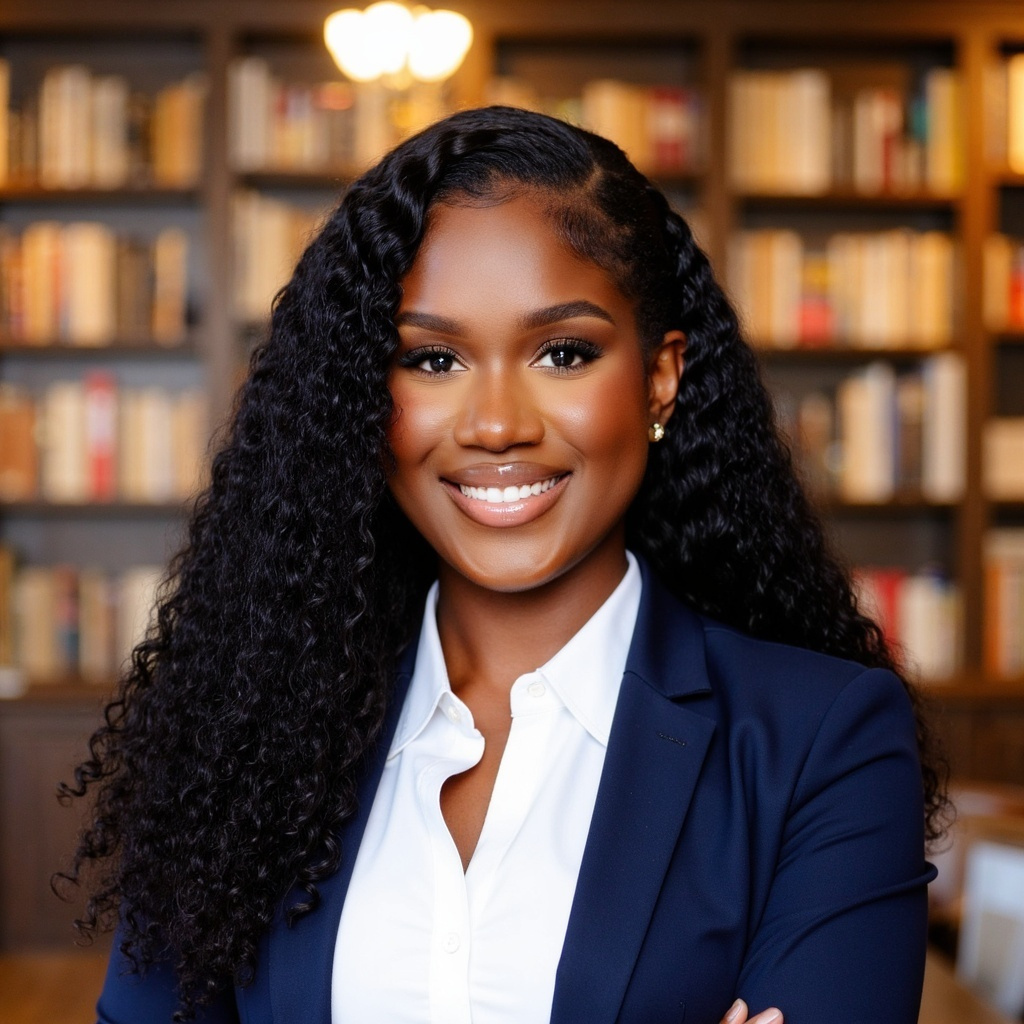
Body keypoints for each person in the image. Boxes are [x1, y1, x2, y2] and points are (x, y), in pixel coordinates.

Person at [61, 106, 943, 1024]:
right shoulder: (248, 724)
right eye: (433, 359)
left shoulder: (823, 741)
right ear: (366, 397)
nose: (494, 424)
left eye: (563, 352)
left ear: (660, 377)